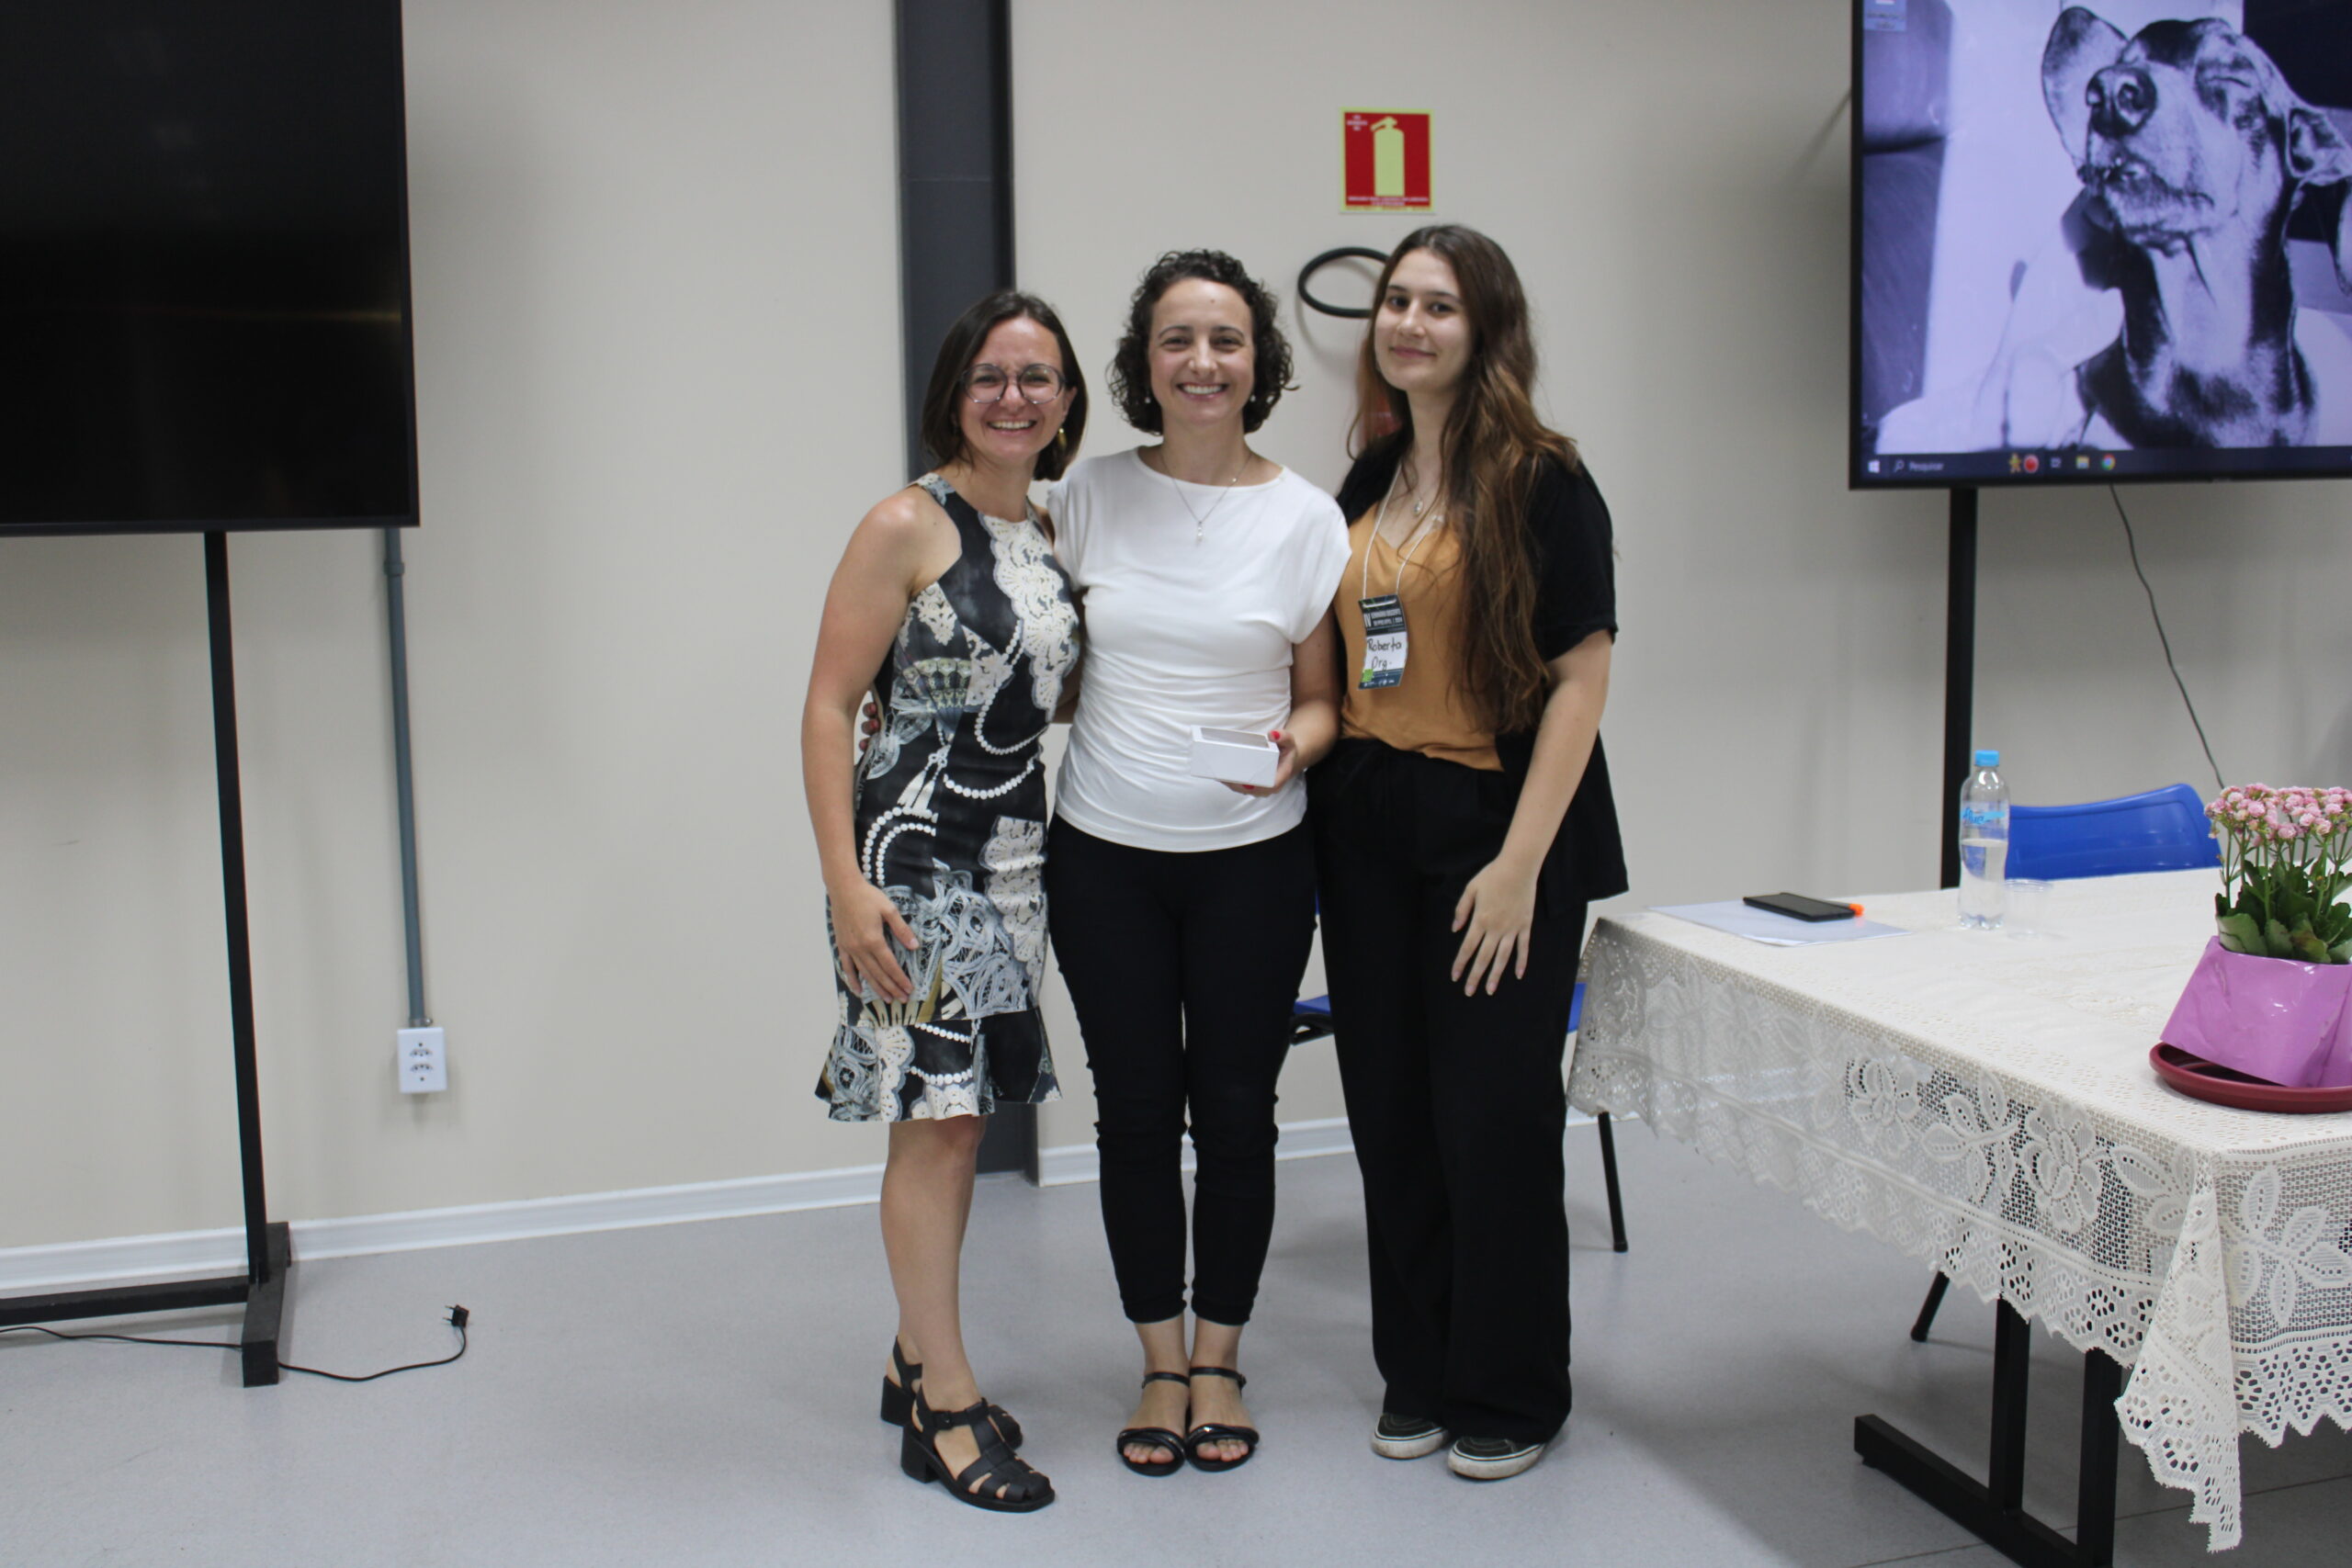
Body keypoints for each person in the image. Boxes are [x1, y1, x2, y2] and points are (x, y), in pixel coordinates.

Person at [1307, 224, 1625, 1483]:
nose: (1410, 323)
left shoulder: (1545, 481)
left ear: (1487, 327)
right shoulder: (1369, 478)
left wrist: (1520, 868)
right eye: (1397, 301)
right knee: (1391, 1113)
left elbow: (1581, 681)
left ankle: (1512, 1390)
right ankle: (1421, 1372)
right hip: (1369, 821)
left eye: (1439, 305)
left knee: (1491, 1120)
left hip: (1500, 828)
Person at [1043, 251, 1349, 1475]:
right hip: (1104, 862)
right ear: (1144, 364)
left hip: (1253, 870)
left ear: (1257, 362)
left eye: (1226, 340)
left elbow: (1322, 699)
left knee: (1235, 1116)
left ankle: (1219, 1357)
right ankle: (1158, 1363)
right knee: (1132, 1117)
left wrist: (1294, 749)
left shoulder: (1307, 519)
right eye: (1177, 339)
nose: (1202, 362)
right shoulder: (1086, 496)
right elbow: (1045, 663)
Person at [799, 290, 1086, 1513]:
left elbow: (1042, 698)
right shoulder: (904, 523)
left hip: (1012, 856)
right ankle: (947, 1405)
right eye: (989, 377)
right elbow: (829, 706)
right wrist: (845, 885)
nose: (1013, 397)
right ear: (953, 394)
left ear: (1067, 400)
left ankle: (910, 1354)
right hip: (911, 861)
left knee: (962, 1117)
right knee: (939, 1119)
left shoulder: (1049, 530)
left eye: (1037, 377)